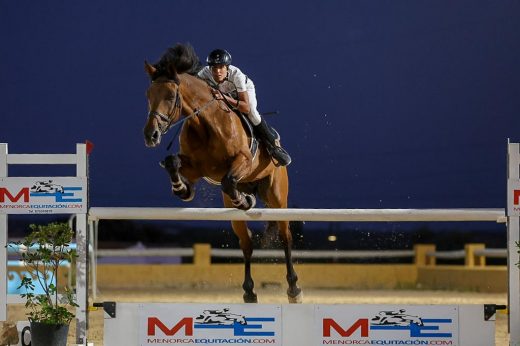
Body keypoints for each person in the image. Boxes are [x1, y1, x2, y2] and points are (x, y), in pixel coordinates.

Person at [197, 49, 291, 166]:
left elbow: (245, 107)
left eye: (221, 67)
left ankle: (273, 145)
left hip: (243, 91)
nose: (217, 72)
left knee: (252, 113)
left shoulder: (237, 75)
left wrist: (224, 97)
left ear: (227, 67)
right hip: (222, 94)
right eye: (214, 68)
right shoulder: (203, 74)